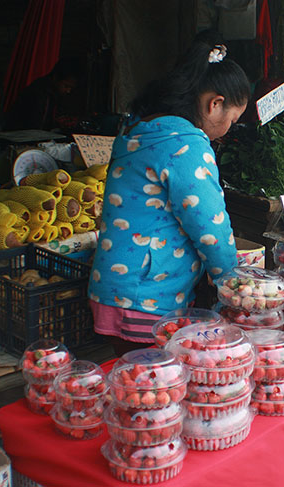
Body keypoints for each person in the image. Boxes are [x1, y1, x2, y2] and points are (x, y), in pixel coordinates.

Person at [88, 42, 249, 355]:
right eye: (232, 119)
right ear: (214, 104)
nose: (229, 130)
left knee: (133, 382)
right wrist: (233, 284)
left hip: (115, 287)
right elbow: (209, 225)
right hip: (147, 298)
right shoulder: (186, 146)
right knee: (152, 386)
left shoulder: (139, 129)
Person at [2, 57, 83, 131]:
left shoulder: (56, 93)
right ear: (55, 78)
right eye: (66, 86)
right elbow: (33, 125)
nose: (68, 91)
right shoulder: (38, 91)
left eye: (71, 88)